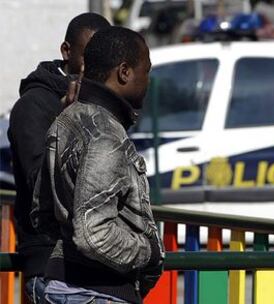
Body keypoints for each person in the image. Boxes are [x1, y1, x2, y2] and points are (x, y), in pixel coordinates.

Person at [32, 26, 164, 304]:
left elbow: (41, 211)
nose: (148, 80)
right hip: (96, 292)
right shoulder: (105, 136)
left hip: (65, 285)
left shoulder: (66, 118)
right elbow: (94, 234)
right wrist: (149, 252)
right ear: (124, 72)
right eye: (146, 70)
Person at [7, 13, 110, 303]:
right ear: (66, 51)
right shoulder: (33, 106)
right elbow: (40, 182)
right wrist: (72, 119)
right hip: (53, 263)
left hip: (97, 260)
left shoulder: (102, 102)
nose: (97, 70)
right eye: (89, 57)